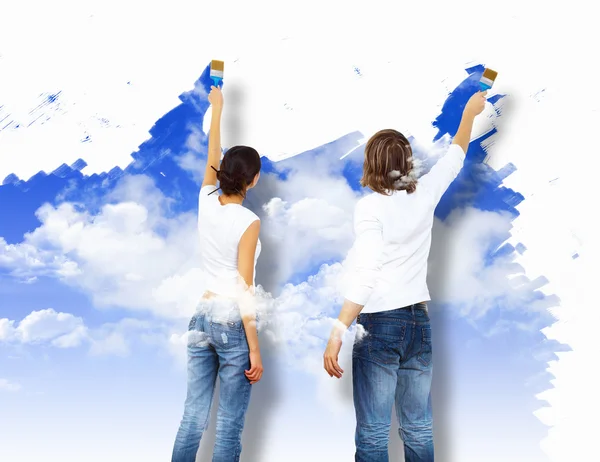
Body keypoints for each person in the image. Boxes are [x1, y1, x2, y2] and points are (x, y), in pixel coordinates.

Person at [323, 91, 488, 462]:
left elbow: (367, 275)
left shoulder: (370, 208)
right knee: (418, 427)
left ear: (372, 164)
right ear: (407, 164)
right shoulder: (424, 193)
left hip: (380, 323)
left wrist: (337, 333)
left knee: (373, 433)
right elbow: (454, 157)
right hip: (419, 322)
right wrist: (468, 114)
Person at [172, 85, 264, 462]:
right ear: (253, 179)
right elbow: (245, 288)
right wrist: (254, 348)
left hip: (201, 315)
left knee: (192, 416)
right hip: (230, 322)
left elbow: (213, 153)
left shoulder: (206, 198)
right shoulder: (249, 221)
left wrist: (217, 107)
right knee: (227, 423)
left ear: (223, 172)